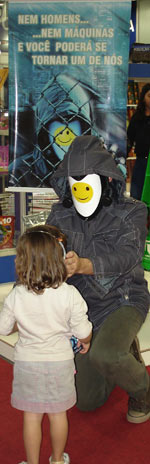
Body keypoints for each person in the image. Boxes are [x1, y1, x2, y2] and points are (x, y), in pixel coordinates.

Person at [46, 134, 150, 425]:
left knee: (106, 354)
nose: (80, 188)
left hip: (123, 299)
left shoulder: (132, 211)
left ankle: (142, 390)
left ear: (105, 179)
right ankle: (118, 356)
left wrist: (84, 265)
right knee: (87, 402)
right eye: (74, 180)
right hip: (82, 307)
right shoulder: (60, 214)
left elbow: (128, 256)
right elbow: (45, 253)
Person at [0, 224, 92, 464]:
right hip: (59, 363)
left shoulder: (17, 294)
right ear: (59, 258)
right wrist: (85, 341)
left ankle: (32, 462)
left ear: (22, 261)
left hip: (27, 364)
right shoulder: (69, 293)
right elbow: (83, 330)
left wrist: (24, 322)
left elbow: (3, 328)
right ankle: (58, 459)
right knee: (58, 415)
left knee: (31, 417)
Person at [127, 83, 150, 200]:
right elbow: (129, 139)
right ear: (143, 98)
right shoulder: (137, 118)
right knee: (137, 195)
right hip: (142, 162)